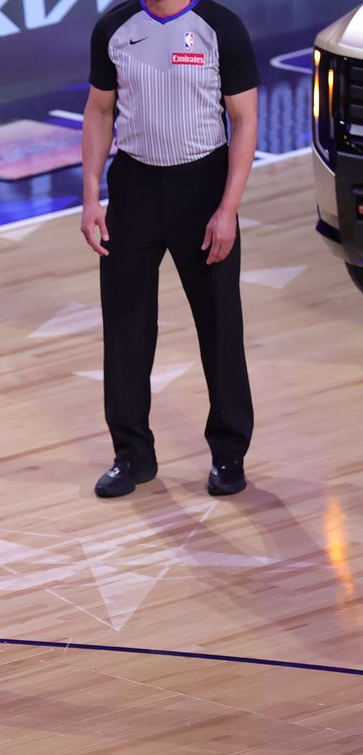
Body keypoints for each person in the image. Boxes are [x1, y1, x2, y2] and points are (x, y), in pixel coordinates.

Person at [80, 0, 258, 499]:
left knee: (220, 324)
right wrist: (92, 196)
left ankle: (228, 452)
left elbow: (244, 120)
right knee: (125, 326)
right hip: (133, 189)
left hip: (203, 188)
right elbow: (99, 109)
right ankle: (132, 454)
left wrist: (228, 208)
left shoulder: (220, 28)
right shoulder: (114, 27)